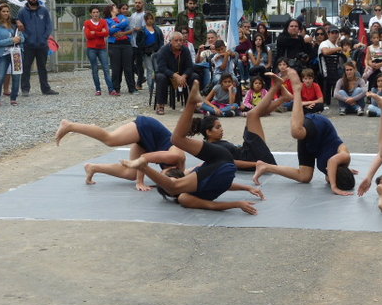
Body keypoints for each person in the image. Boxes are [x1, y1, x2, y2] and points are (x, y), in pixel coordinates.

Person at [123, 80, 265, 214]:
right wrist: (242, 195)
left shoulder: (188, 183)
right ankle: (191, 102)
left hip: (222, 161)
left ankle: (191, 102)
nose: (165, 176)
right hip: (223, 163)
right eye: (166, 179)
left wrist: (241, 196)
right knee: (177, 140)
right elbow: (217, 194)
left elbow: (178, 186)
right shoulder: (185, 196)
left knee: (176, 139)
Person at [253, 69, 357, 196]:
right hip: (320, 128)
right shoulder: (345, 157)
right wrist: (335, 187)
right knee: (297, 132)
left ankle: (265, 166)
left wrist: (341, 176)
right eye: (331, 181)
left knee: (305, 177)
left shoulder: (332, 173)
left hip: (312, 146)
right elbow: (332, 162)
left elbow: (331, 170)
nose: (328, 181)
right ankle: (297, 90)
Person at [55, 116, 185, 191]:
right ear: (173, 168)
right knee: (110, 139)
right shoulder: (174, 157)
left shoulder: (180, 173)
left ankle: (93, 168)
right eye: (162, 176)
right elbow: (144, 158)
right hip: (147, 128)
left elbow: (189, 175)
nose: (159, 176)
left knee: (131, 174)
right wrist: (140, 182)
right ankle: (70, 125)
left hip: (149, 144)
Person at [195, 72, 290, 170]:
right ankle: (276, 87)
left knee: (255, 115)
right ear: (208, 132)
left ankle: (283, 98)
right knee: (252, 114)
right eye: (217, 127)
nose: (221, 129)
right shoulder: (213, 148)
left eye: (220, 126)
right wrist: (259, 164)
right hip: (253, 158)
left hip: (250, 152)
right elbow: (234, 162)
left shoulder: (214, 144)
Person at [18, 0, 58, 96]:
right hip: (28, 45)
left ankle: (45, 89)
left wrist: (44, 37)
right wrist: (27, 37)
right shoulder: (22, 12)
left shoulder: (43, 11)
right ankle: (25, 89)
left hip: (42, 45)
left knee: (42, 67)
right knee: (26, 67)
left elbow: (48, 25)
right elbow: (19, 27)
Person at [154, 31, 197, 115]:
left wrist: (184, 76)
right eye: (176, 40)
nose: (179, 43)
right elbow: (162, 68)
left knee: (195, 76)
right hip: (168, 76)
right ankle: (161, 105)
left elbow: (190, 67)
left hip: (182, 76)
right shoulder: (163, 50)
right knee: (160, 77)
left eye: (181, 40)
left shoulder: (185, 50)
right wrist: (175, 76)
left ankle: (193, 105)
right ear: (171, 41)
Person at [0, 2, 24, 106]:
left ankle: (13, 98)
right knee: (0, 76)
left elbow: (22, 38)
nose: (6, 13)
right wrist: (11, 40)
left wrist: (19, 39)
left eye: (7, 11)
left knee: (16, 76)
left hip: (16, 54)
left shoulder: (14, 25)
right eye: (3, 11)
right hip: (4, 54)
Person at [104, 4, 135, 95]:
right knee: (116, 68)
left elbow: (125, 23)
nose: (117, 8)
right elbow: (109, 31)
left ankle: (132, 88)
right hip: (114, 45)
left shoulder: (122, 17)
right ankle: (116, 88)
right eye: (115, 7)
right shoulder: (106, 20)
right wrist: (118, 27)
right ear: (111, 10)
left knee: (128, 67)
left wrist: (115, 26)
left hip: (126, 44)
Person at [83, 6, 114, 96]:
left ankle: (111, 89)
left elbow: (106, 33)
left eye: (97, 12)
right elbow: (88, 35)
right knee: (95, 69)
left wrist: (94, 32)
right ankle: (98, 89)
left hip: (102, 48)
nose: (95, 14)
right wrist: (100, 32)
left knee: (106, 68)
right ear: (90, 14)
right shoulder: (87, 23)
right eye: (93, 12)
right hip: (91, 48)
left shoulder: (103, 22)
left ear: (99, 13)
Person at [135, 12, 164, 91]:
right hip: (146, 53)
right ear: (145, 20)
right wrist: (143, 48)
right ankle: (151, 87)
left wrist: (160, 49)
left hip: (156, 52)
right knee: (149, 69)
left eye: (151, 19)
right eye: (148, 19)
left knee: (157, 69)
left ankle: (158, 86)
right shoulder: (142, 30)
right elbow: (138, 42)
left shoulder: (157, 29)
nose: (150, 20)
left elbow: (161, 40)